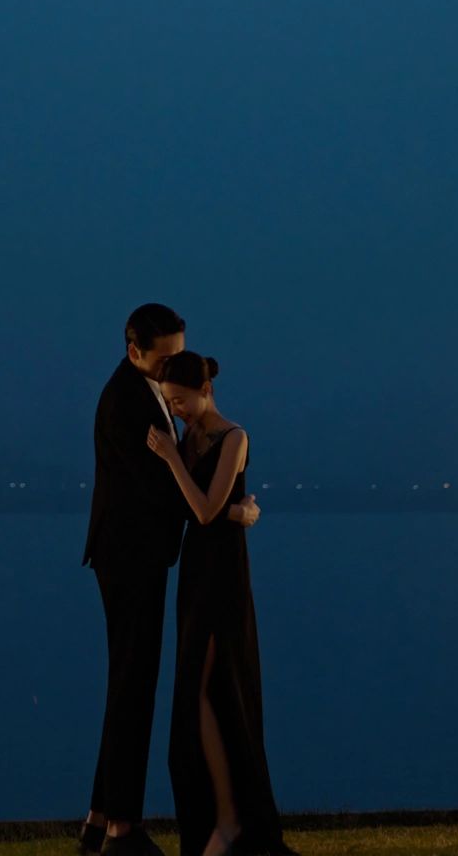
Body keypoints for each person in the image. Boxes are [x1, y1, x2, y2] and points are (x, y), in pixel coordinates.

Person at [81, 306, 260, 856]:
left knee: (128, 683)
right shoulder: (128, 402)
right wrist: (229, 512)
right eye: (163, 359)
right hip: (129, 559)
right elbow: (161, 490)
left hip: (133, 556)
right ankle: (122, 829)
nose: (173, 368)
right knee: (133, 686)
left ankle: (100, 818)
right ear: (134, 351)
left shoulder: (143, 391)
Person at [147, 351, 293, 856]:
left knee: (217, 682)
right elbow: (193, 506)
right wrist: (234, 507)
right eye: (172, 404)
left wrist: (172, 460)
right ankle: (222, 816)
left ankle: (233, 821)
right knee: (199, 689)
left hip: (224, 570)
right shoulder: (189, 437)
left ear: (204, 391)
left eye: (182, 401)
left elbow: (204, 509)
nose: (179, 411)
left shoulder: (235, 437)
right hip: (196, 568)